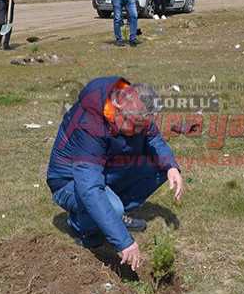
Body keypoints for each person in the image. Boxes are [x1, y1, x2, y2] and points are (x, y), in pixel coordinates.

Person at [46, 77, 186, 271]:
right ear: (118, 109)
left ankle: (109, 217)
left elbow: (153, 137)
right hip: (68, 181)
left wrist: (171, 166)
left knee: (160, 167)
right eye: (135, 125)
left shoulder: (135, 106)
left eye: (142, 126)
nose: (139, 131)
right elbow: (90, 188)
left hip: (105, 168)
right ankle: (82, 225)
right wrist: (124, 242)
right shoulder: (89, 123)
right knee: (112, 207)